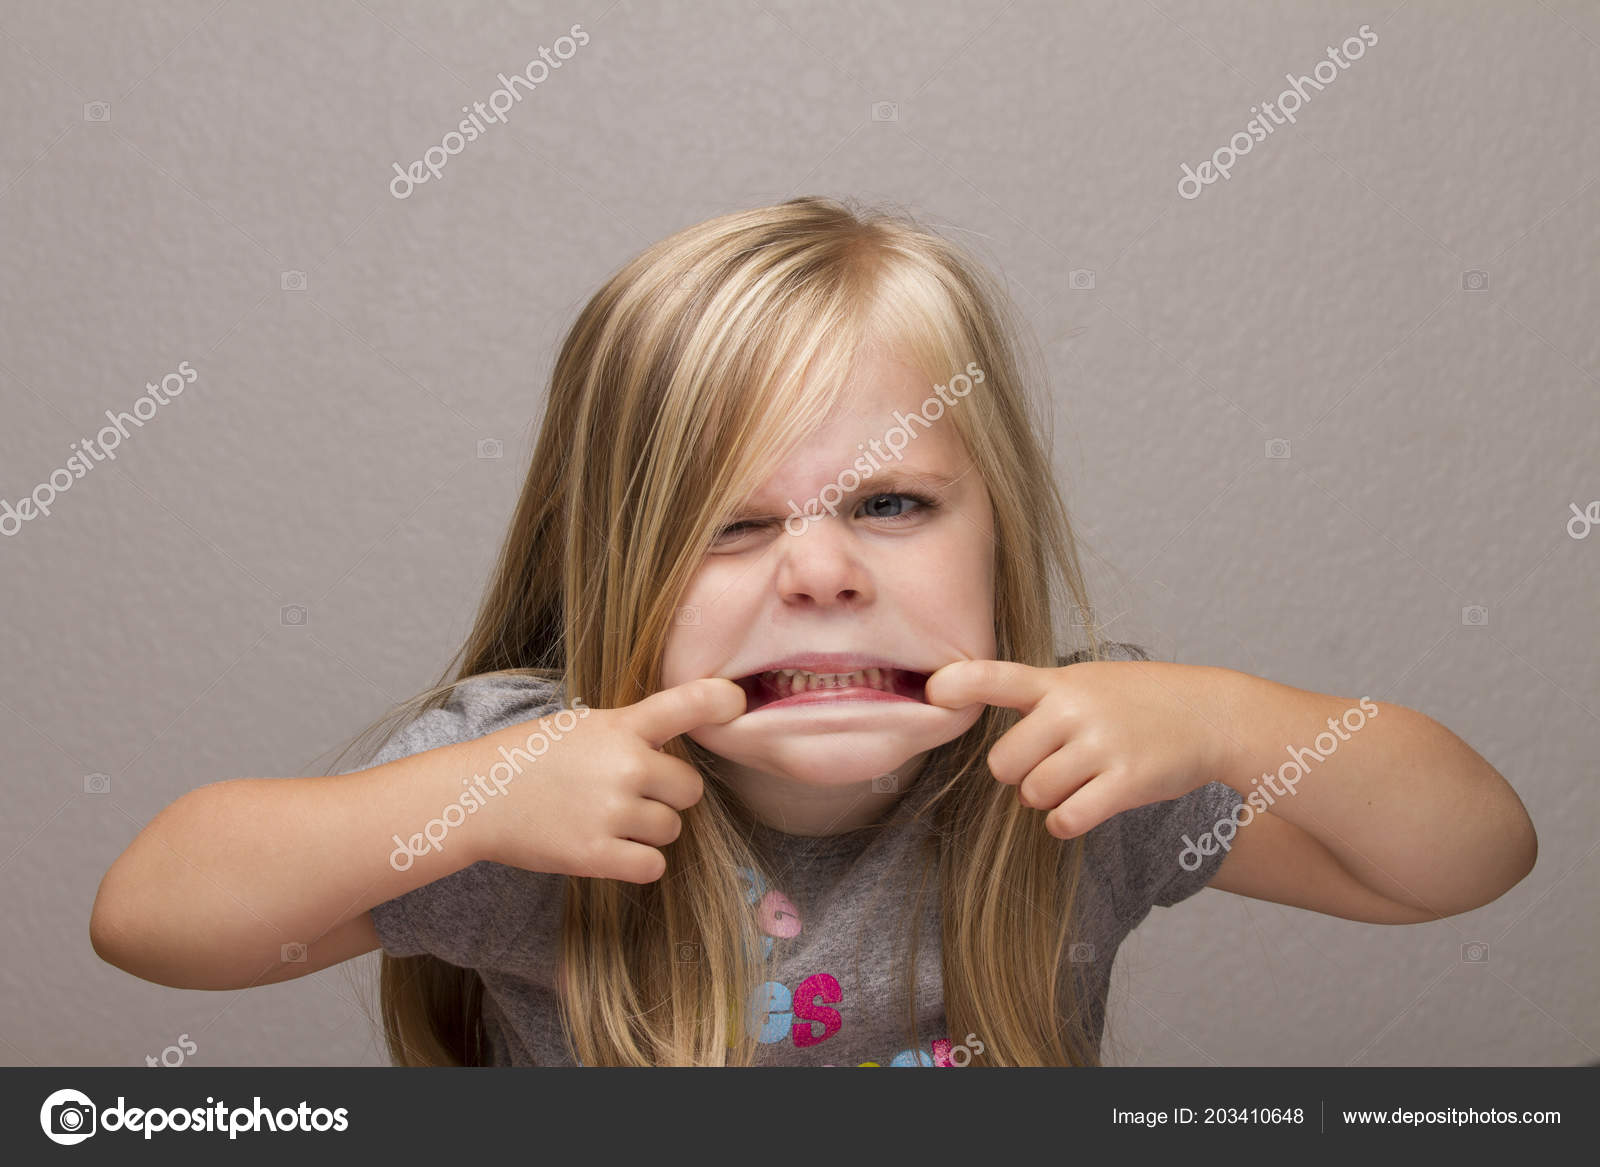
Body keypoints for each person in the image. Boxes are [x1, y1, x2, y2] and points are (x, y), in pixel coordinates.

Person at [90, 196, 1537, 1067]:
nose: (825, 572)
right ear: (613, 569)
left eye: (893, 503)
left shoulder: (1070, 774)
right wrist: (469, 805)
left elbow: (1464, 861)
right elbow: (154, 921)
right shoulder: (542, 793)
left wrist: (1230, 723)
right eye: (732, 525)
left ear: (999, 535)